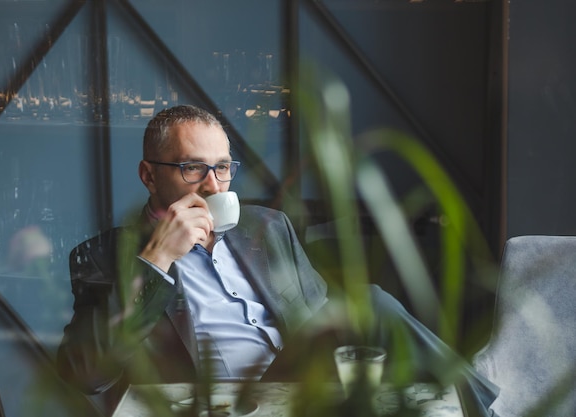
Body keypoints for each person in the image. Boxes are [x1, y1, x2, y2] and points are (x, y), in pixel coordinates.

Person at [56, 104, 498, 415]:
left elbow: (320, 317)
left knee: (371, 305)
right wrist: (156, 261)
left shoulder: (266, 227)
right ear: (149, 175)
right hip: (216, 401)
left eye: (223, 167)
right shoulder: (103, 257)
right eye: (193, 167)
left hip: (294, 387)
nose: (214, 186)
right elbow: (85, 376)